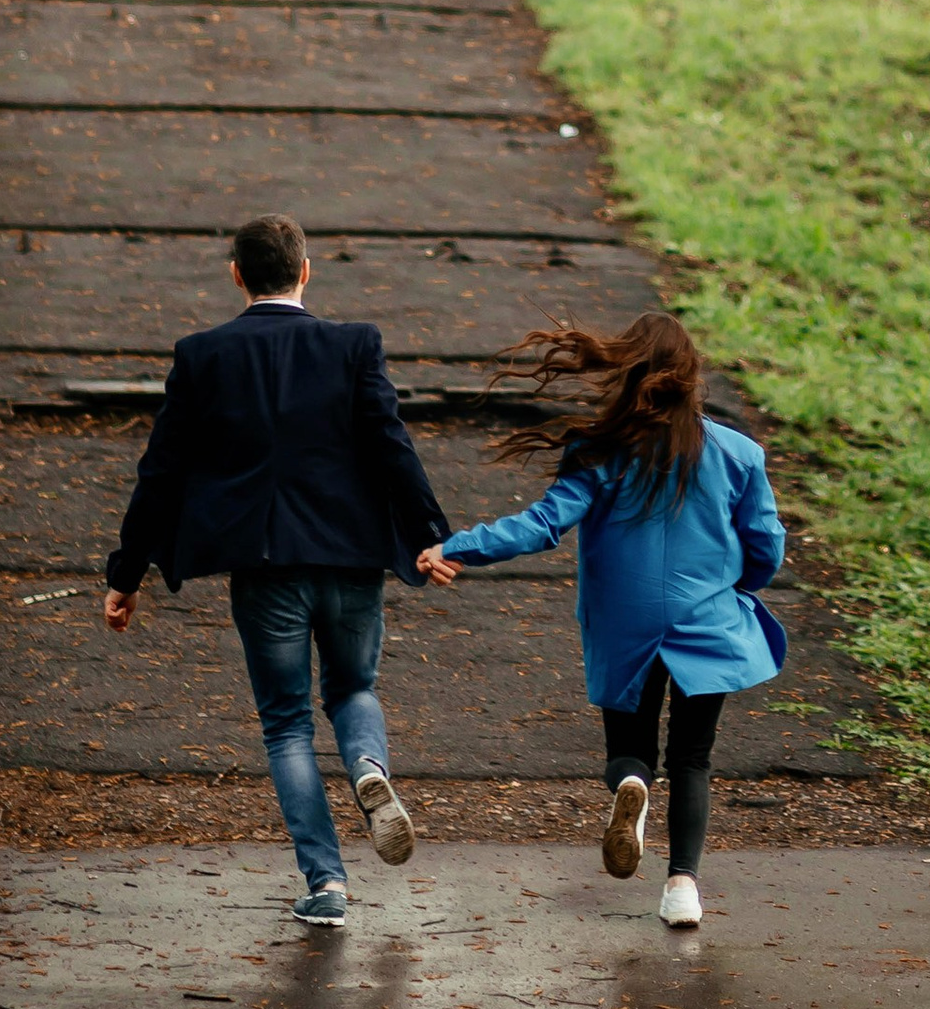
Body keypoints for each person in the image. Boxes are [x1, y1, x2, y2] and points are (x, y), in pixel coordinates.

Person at [104, 210, 449, 926]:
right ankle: (369, 771)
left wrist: (126, 572)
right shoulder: (355, 345)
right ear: (305, 271)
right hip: (352, 555)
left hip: (264, 566)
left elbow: (160, 473)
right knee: (354, 687)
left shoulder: (203, 355)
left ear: (236, 276)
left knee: (287, 725)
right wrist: (430, 536)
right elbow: (393, 446)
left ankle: (326, 886)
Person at [418, 310, 784, 930]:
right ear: (691, 375)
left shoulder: (600, 451)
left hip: (626, 623)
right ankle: (682, 889)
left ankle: (630, 789)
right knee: (693, 757)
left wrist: (456, 547)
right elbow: (766, 545)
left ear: (628, 368)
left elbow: (541, 526)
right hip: (709, 623)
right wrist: (737, 591)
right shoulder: (739, 454)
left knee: (630, 748)